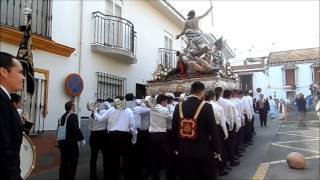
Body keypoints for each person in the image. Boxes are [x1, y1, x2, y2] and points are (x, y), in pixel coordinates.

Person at [171, 81, 220, 180]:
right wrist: (216, 149)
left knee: (187, 175)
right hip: (202, 151)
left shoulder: (179, 106)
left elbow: (174, 128)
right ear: (202, 92)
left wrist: (176, 148)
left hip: (184, 150)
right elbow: (213, 130)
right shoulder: (206, 106)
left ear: (191, 91)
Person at [94, 96, 137, 180]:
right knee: (127, 162)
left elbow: (100, 119)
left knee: (112, 161)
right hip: (125, 137)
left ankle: (112, 176)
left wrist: (95, 112)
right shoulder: (128, 111)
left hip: (112, 137)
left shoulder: (111, 110)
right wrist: (134, 139)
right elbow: (133, 126)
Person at [0, 52, 24, 180]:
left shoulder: (5, 99)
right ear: (4, 72)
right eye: (20, 72)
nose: (23, 77)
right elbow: (4, 149)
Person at [58, 101, 85, 180]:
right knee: (73, 163)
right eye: (74, 106)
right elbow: (75, 129)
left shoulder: (61, 117)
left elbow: (59, 131)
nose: (75, 107)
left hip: (62, 144)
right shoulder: (73, 116)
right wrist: (81, 138)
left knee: (63, 163)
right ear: (72, 107)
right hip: (71, 144)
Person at [205, 90, 229, 176]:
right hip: (217, 128)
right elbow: (222, 122)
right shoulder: (217, 107)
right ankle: (221, 168)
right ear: (214, 97)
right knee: (219, 148)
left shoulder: (202, 106)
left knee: (209, 149)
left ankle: (211, 170)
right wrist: (226, 133)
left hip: (205, 129)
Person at [148, 94, 172, 180]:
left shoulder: (152, 108)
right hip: (162, 136)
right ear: (163, 101)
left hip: (152, 135)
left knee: (154, 158)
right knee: (167, 157)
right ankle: (168, 176)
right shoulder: (164, 110)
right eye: (166, 101)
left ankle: (155, 177)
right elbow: (170, 119)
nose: (166, 103)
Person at [89, 104, 109, 180]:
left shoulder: (91, 115)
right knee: (106, 157)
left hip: (94, 135)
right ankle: (106, 175)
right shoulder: (104, 113)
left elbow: (90, 127)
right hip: (103, 135)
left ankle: (93, 176)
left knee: (93, 158)